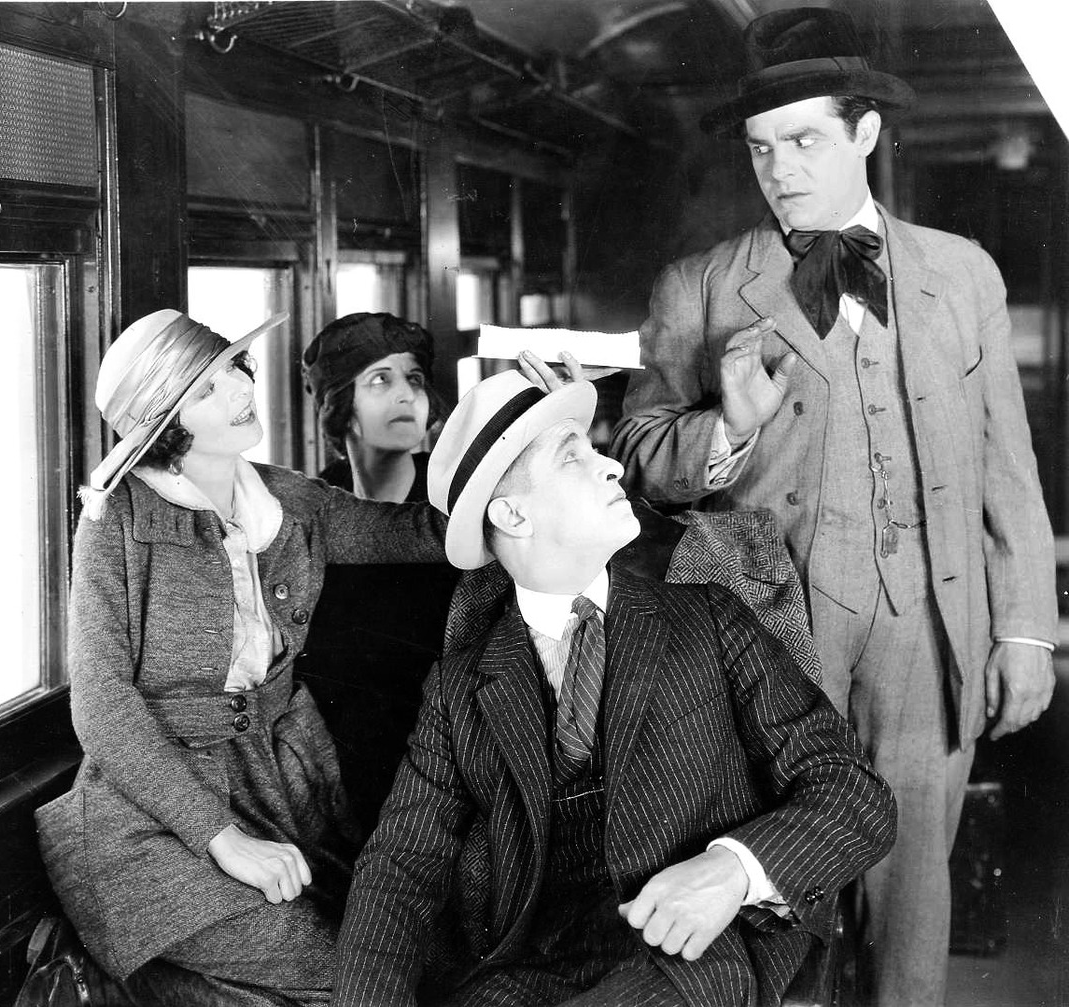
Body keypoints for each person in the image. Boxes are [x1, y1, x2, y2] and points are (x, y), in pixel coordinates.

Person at [608, 9, 1057, 1006]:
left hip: (928, 625)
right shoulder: (700, 287)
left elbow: (1006, 468)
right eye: (760, 147)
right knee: (777, 885)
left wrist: (1025, 627)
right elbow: (642, 461)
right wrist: (726, 425)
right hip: (769, 635)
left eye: (805, 139)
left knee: (912, 898)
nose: (779, 169)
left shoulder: (962, 275)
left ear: (866, 133)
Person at [335, 352, 896, 1007]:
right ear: (512, 516)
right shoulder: (459, 687)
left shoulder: (710, 618)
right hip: (525, 974)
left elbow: (854, 791)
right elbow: (401, 865)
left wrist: (732, 869)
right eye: (573, 457)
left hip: (691, 958)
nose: (611, 465)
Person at [34, 309, 446, 1005]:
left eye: (234, 367)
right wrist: (222, 838)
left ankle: (140, 984)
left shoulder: (287, 498)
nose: (240, 389)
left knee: (400, 959)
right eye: (207, 388)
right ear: (164, 425)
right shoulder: (115, 520)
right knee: (346, 979)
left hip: (286, 793)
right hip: (151, 819)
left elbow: (423, 532)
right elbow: (101, 705)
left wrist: (518, 439)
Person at [295, 312, 459, 835]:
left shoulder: (455, 497)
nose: (406, 395)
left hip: (448, 765)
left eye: (414, 378)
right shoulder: (313, 508)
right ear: (340, 405)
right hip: (337, 777)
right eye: (380, 380)